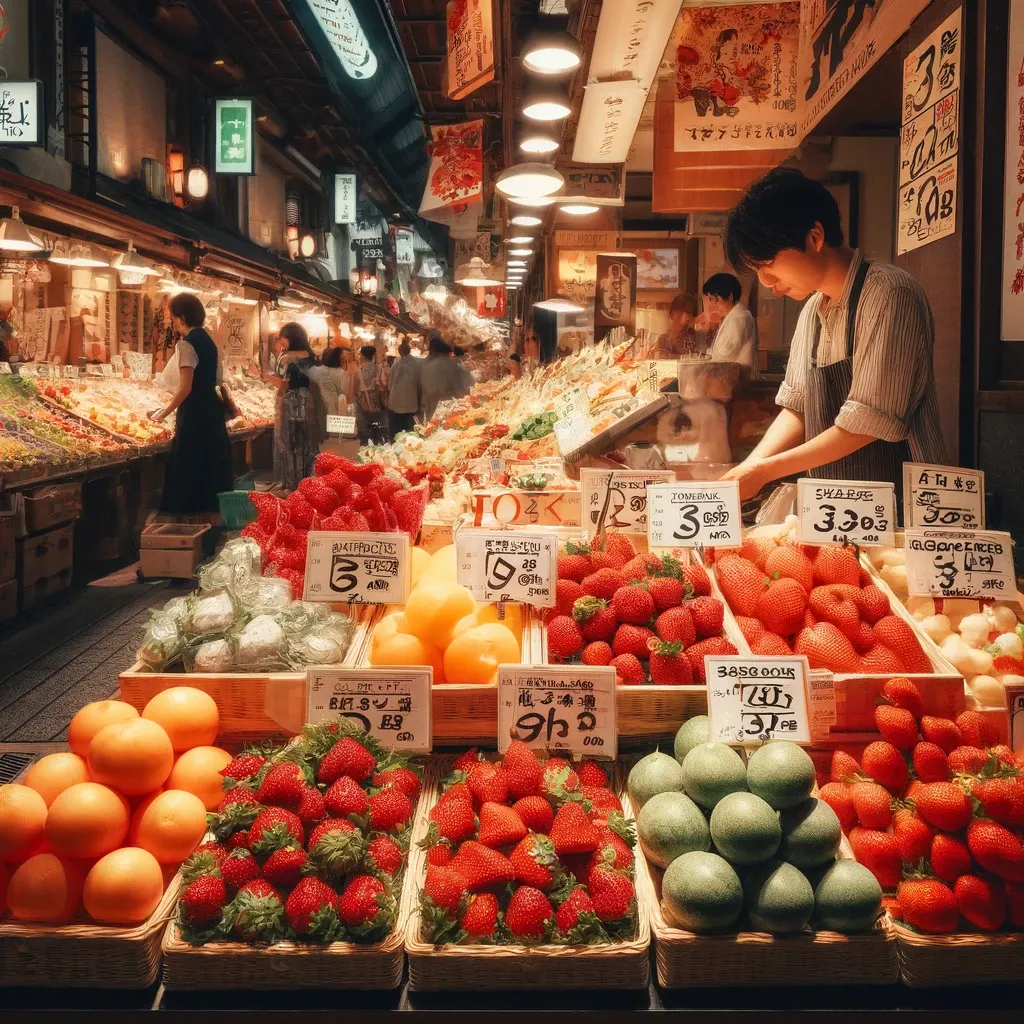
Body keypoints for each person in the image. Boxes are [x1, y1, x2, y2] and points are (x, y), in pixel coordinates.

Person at [719, 167, 946, 501]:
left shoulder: (890, 293)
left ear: (814, 237)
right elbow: (797, 407)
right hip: (838, 505)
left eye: (768, 265)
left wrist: (762, 472)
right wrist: (747, 471)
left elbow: (867, 424)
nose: (765, 281)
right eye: (757, 272)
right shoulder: (812, 311)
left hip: (904, 503)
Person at [150, 293, 232, 523]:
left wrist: (165, 412)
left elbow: (185, 387)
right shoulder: (210, 342)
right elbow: (215, 379)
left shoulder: (186, 345)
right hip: (211, 412)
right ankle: (209, 527)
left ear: (182, 318)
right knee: (209, 467)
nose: (173, 323)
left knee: (190, 465)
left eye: (173, 318)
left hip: (195, 414)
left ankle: (189, 525)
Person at [273, 322, 320, 491]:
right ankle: (308, 482)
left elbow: (283, 385)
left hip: (291, 404)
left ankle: (293, 484)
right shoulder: (310, 355)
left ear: (290, 338)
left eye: (283, 338)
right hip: (307, 404)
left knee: (290, 443)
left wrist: (263, 376)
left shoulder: (287, 358)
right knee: (306, 443)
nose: (281, 342)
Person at [702, 272, 757, 375]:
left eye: (716, 299)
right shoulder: (733, 316)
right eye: (711, 300)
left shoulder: (739, 317)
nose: (713, 305)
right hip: (728, 379)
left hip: (733, 380)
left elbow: (725, 357)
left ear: (730, 297)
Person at [420, 333, 464, 421]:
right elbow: (465, 384)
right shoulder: (456, 362)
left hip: (436, 406)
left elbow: (428, 390)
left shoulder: (430, 366)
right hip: (456, 404)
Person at [352, 344, 390, 446]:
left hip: (364, 411)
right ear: (373, 355)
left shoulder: (357, 372)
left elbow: (354, 391)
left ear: (363, 356)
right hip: (379, 411)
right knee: (380, 438)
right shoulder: (380, 370)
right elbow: (385, 387)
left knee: (365, 440)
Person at [307, 346, 347, 435]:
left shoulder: (315, 370)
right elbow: (343, 394)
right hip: (333, 412)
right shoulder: (340, 373)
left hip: (315, 410)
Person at [387, 340, 421, 436]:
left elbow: (390, 385)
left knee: (397, 433)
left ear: (400, 351)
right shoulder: (417, 364)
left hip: (395, 403)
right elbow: (420, 384)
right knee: (411, 433)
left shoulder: (396, 365)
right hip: (411, 404)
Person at [656, 293, 700, 358]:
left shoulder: (696, 338)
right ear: (671, 315)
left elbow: (696, 358)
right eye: (680, 313)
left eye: (688, 313)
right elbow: (661, 358)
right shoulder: (663, 339)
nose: (684, 319)